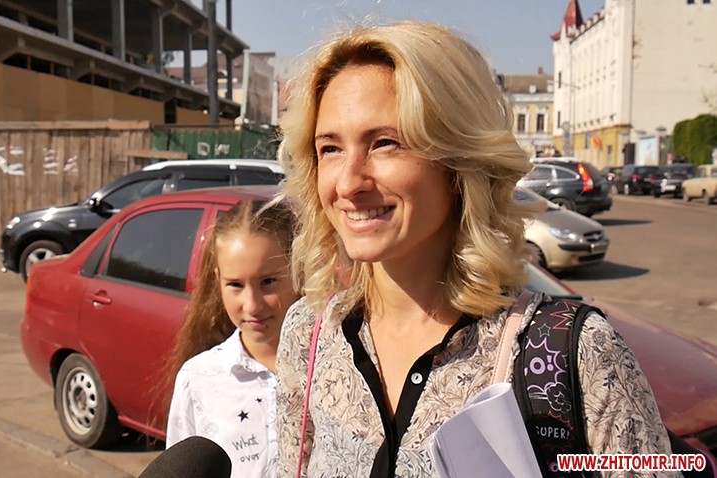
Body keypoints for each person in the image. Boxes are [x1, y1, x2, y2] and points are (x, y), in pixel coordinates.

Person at [275, 21, 676, 477]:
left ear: (459, 161)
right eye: (330, 149)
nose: (348, 183)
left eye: (386, 143)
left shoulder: (575, 353)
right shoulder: (309, 334)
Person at [165, 198, 299, 478]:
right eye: (235, 285)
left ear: (298, 270)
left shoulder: (333, 368)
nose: (252, 305)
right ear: (218, 280)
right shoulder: (197, 379)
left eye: (268, 282)